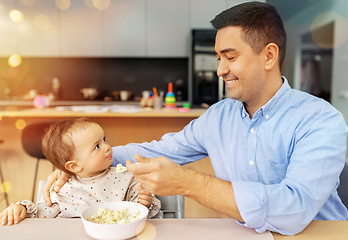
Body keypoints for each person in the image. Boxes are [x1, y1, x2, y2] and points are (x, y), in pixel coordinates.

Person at [42, 1, 347, 235]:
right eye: (218, 58)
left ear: (268, 56)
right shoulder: (217, 117)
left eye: (230, 57)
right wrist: (90, 164)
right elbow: (161, 150)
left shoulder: (321, 121)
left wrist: (189, 183)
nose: (219, 70)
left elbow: (293, 210)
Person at [0, 118, 160, 226]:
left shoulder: (125, 177)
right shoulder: (61, 190)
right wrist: (22, 209)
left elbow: (143, 211)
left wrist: (144, 203)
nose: (108, 147)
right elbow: (40, 216)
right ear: (74, 166)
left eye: (104, 139)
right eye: (97, 146)